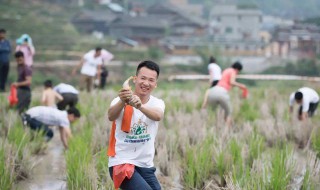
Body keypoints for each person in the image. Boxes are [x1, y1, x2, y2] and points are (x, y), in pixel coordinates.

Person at [107, 60, 165, 190]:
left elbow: (158, 116)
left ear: (155, 84)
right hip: (122, 162)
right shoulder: (119, 100)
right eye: (143, 78)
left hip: (145, 165)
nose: (146, 83)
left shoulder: (157, 103)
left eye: (151, 80)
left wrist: (140, 106)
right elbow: (111, 116)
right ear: (135, 79)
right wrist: (123, 101)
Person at [202, 61, 247, 128]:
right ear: (237, 69)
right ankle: (227, 131)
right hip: (222, 92)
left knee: (216, 112)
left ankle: (213, 128)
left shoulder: (226, 70)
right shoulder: (233, 71)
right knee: (228, 114)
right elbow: (232, 82)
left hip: (213, 91)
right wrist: (242, 86)